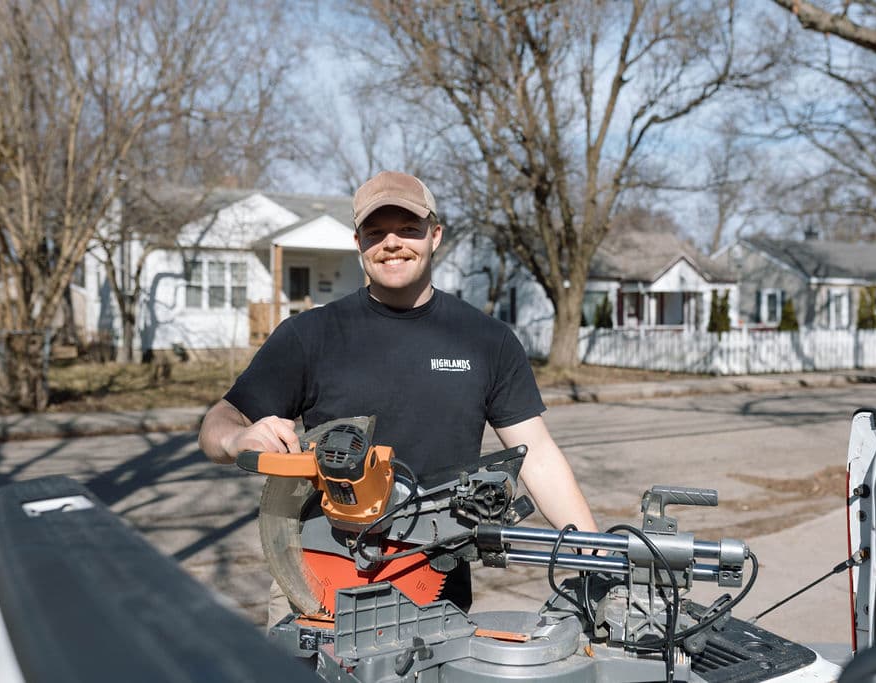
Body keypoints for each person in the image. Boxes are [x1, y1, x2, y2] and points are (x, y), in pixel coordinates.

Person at [198, 170, 597, 622]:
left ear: (435, 235)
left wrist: (597, 557)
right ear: (358, 241)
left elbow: (538, 455)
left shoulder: (485, 341)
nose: (392, 243)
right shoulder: (309, 335)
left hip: (435, 590)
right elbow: (219, 421)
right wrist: (236, 440)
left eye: (409, 229)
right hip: (317, 584)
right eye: (376, 231)